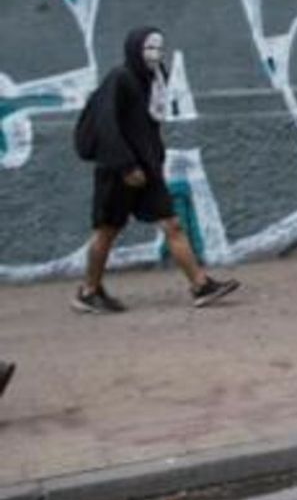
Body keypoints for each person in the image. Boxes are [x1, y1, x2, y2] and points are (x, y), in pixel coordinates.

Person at [74, 27, 239, 313]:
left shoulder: (154, 81)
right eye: (148, 49)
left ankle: (201, 286)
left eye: (158, 49)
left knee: (172, 224)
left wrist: (151, 161)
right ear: (134, 50)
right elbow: (105, 125)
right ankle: (89, 291)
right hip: (119, 172)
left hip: (148, 171)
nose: (155, 55)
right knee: (107, 231)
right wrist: (126, 165)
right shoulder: (120, 79)